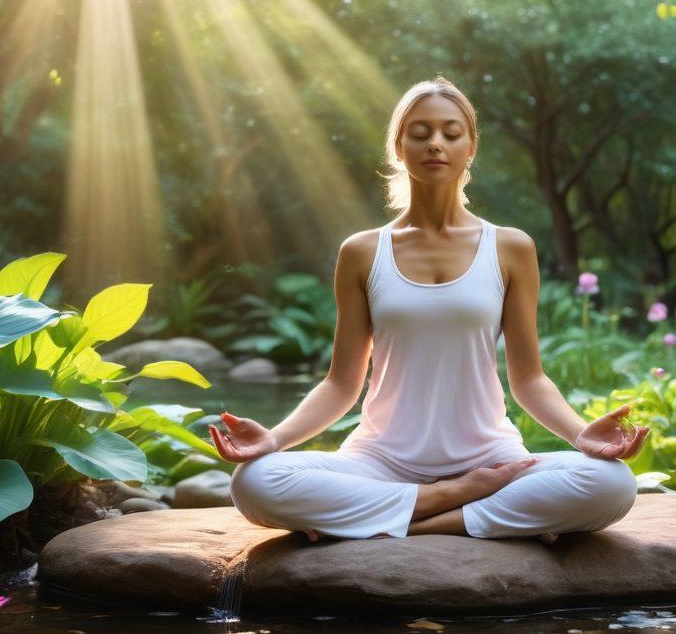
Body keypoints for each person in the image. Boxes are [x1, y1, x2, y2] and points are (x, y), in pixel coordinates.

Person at [208, 75, 648, 543]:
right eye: (419, 133)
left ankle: (413, 519)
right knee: (254, 482)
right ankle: (455, 502)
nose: (435, 143)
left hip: (489, 460)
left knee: (612, 483)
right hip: (380, 461)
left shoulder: (510, 247)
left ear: (470, 148)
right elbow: (341, 383)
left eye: (450, 133)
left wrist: (582, 436)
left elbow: (529, 380)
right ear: (399, 149)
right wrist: (274, 439)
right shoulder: (362, 251)